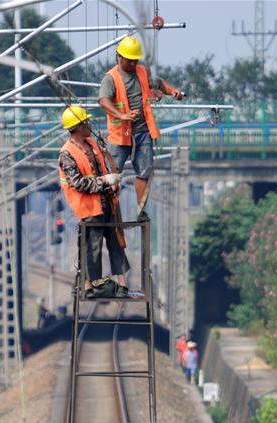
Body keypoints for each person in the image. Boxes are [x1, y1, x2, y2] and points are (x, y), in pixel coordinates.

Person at [98, 36, 183, 211]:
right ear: (120, 57)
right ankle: (109, 211)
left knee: (144, 172)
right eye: (129, 61)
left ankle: (141, 209)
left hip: (143, 132)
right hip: (120, 135)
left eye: (135, 60)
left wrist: (172, 91)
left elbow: (158, 83)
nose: (132, 64)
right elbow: (103, 101)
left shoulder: (142, 72)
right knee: (112, 174)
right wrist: (121, 115)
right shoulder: (111, 78)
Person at [58, 104, 130, 300]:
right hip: (89, 208)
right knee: (93, 248)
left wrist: (112, 181)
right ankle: (91, 288)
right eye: (86, 122)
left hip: (106, 201)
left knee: (116, 243)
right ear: (79, 126)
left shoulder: (91, 143)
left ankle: (123, 286)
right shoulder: (67, 153)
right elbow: (78, 183)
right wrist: (105, 181)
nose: (89, 124)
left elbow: (102, 166)